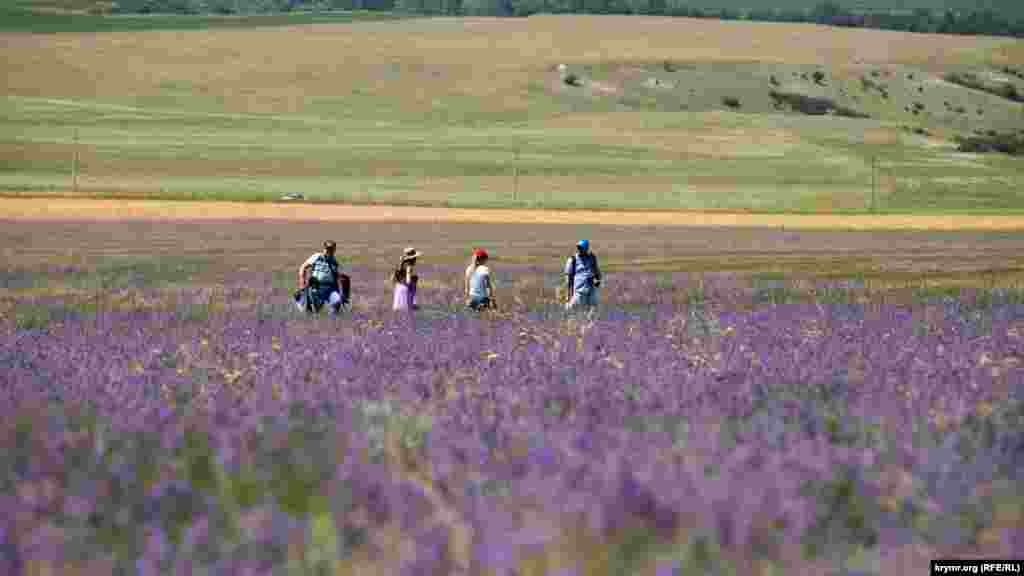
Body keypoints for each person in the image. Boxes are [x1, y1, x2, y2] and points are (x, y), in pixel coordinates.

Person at [295, 240, 350, 315]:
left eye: (331, 249)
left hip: (330, 288)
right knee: (314, 309)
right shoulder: (317, 256)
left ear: (334, 250)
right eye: (327, 249)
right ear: (324, 248)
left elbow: (336, 279)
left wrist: (341, 293)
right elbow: (303, 267)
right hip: (316, 286)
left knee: (337, 302)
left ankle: (332, 321)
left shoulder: (334, 262)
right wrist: (302, 282)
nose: (328, 251)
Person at [564, 239, 601, 316]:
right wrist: (568, 295)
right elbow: (568, 278)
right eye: (578, 248)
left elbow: (596, 271)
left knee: (593, 311)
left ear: (586, 248)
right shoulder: (572, 260)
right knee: (571, 309)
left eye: (581, 248)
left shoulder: (592, 257)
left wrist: (597, 280)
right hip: (579, 290)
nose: (579, 249)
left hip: (591, 289)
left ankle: (588, 325)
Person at [392, 247, 422, 311]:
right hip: (406, 289)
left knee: (399, 310)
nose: (416, 259)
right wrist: (412, 283)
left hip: (399, 288)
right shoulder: (409, 267)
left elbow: (394, 278)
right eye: (415, 258)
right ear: (413, 259)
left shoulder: (401, 265)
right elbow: (408, 281)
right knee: (407, 310)